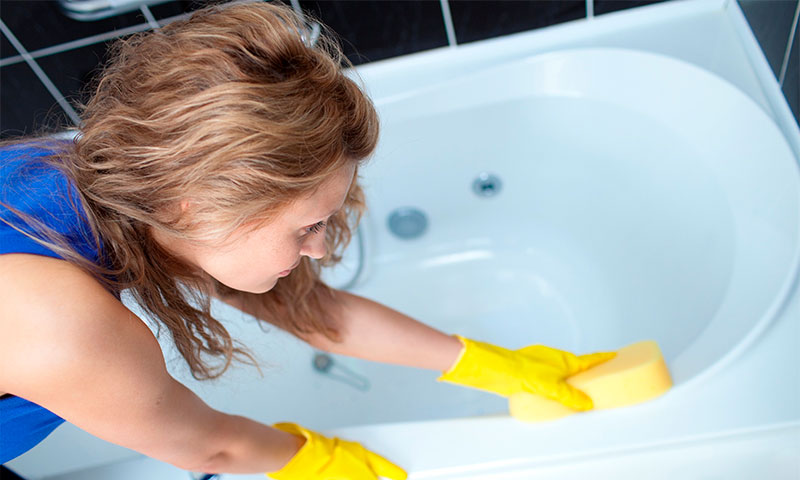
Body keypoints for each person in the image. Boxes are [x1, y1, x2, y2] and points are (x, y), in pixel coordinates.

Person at [0, 1, 615, 478]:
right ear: (201, 205)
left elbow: (309, 308)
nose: (319, 249)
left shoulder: (125, 185)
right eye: (306, 227)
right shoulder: (56, 322)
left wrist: (487, 364)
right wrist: (313, 456)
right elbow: (210, 442)